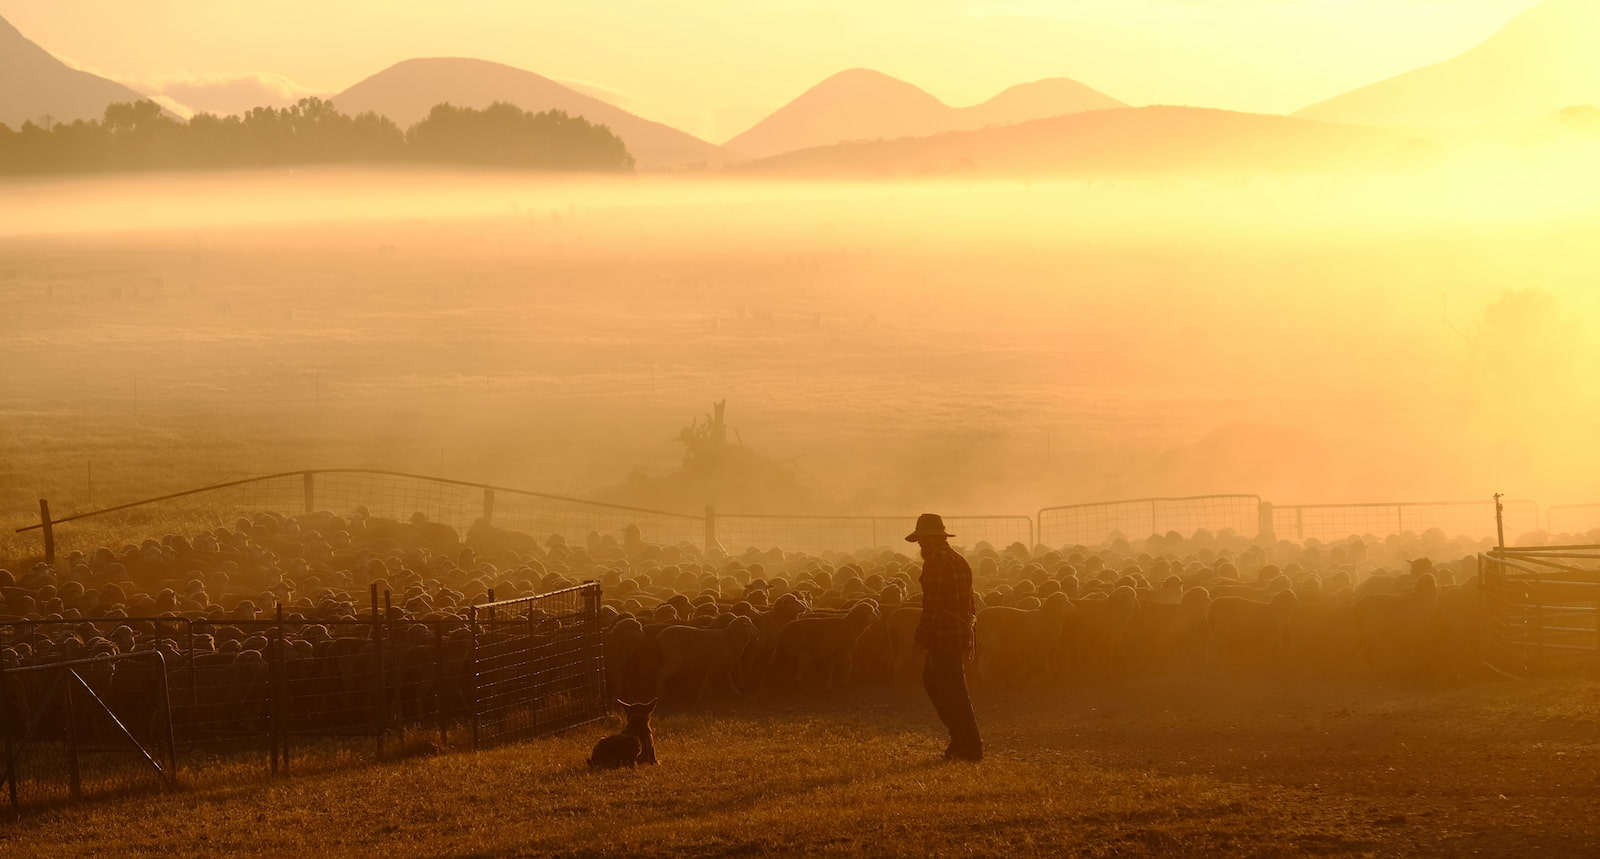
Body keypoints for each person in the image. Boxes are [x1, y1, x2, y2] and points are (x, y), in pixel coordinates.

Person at [907, 513, 982, 762]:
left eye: (921, 541)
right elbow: (970, 601)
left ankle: (968, 744)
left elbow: (934, 606)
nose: (919, 545)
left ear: (931, 539)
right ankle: (962, 739)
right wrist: (970, 633)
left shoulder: (935, 563)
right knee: (938, 683)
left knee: (951, 689)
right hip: (957, 631)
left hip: (943, 635)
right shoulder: (959, 560)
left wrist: (920, 638)